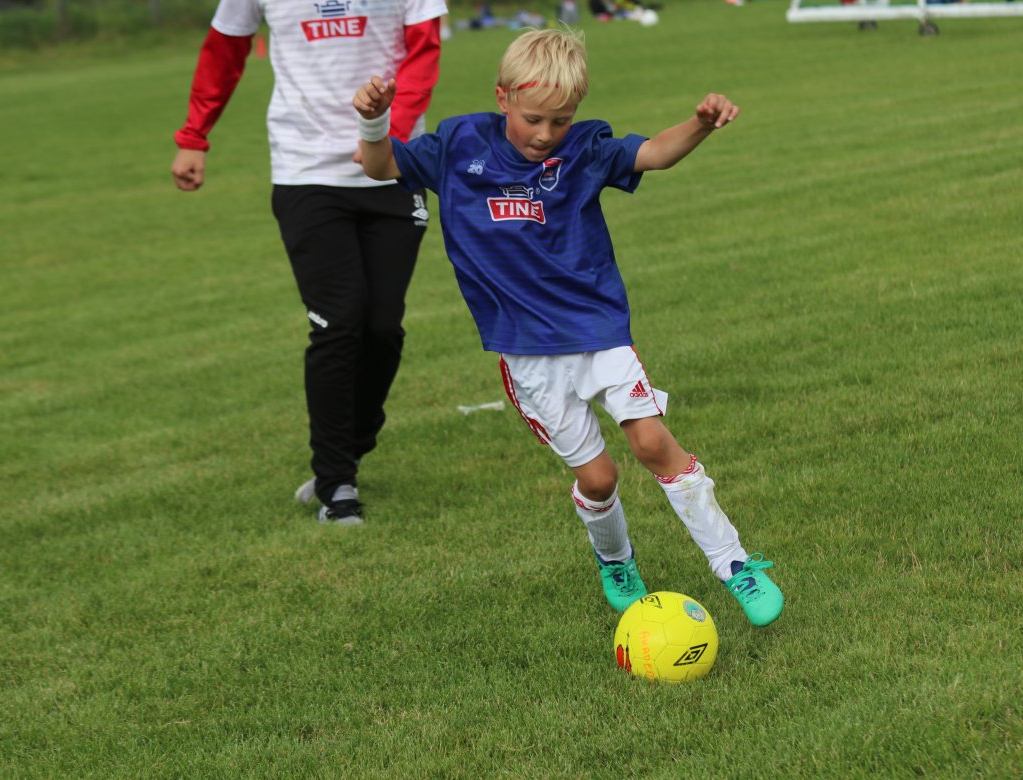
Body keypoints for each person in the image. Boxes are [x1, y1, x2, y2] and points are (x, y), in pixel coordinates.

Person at [351, 28, 783, 626]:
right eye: (533, 119)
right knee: (599, 479)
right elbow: (379, 165)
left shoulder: (584, 147)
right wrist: (375, 121)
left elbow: (655, 153)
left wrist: (701, 123)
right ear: (502, 97)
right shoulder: (457, 143)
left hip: (597, 327)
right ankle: (617, 561)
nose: (546, 133)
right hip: (526, 350)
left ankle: (734, 564)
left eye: (561, 120)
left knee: (652, 442)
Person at [171, 0, 447, 525]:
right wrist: (194, 135)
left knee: (382, 327)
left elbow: (424, 52)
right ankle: (336, 482)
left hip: (393, 165)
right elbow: (224, 51)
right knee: (338, 323)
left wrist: (384, 136)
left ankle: (349, 450)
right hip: (306, 173)